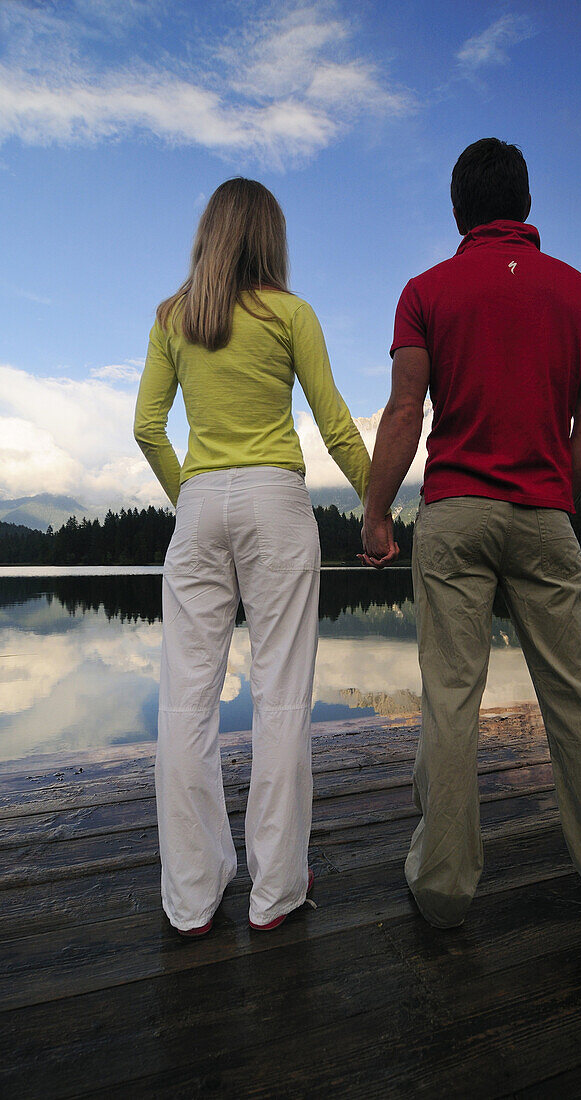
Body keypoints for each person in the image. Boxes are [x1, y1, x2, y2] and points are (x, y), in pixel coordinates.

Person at [361, 138, 581, 929]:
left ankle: (445, 890)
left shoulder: (425, 291)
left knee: (452, 697)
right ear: (525, 205)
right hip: (545, 514)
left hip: (454, 514)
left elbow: (405, 412)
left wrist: (378, 511)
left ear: (459, 209)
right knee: (578, 695)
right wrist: (558, 491)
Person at [134, 178, 370, 936]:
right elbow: (334, 425)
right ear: (270, 236)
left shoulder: (174, 318)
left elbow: (147, 428)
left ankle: (193, 897)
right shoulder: (291, 314)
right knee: (281, 699)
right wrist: (380, 510)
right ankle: (274, 894)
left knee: (183, 702)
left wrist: (191, 498)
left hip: (200, 508)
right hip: (276, 504)